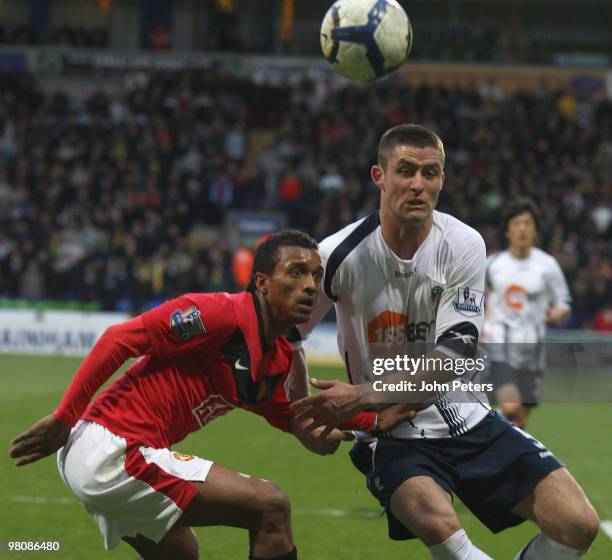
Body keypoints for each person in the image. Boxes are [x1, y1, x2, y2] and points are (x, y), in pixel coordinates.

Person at [290, 125, 599, 560]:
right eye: (406, 171)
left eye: (430, 173)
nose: (418, 184)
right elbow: (287, 337)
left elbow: (453, 355)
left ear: (442, 180)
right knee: (441, 527)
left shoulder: (464, 243)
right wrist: (300, 418)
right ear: (379, 176)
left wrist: (364, 395)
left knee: (578, 526)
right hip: (392, 437)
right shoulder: (336, 256)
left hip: (468, 415)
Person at [9, 230, 379, 560]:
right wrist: (64, 415)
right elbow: (119, 340)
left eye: (316, 275)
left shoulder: (275, 357)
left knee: (180, 552)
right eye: (296, 273)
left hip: (117, 453)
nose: (312, 285)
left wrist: (376, 419)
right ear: (263, 282)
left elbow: (294, 414)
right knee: (270, 506)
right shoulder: (219, 314)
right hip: (112, 450)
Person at [484, 198, 571, 428]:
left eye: (527, 223)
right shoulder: (492, 264)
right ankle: (483, 434)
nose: (522, 228)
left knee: (521, 418)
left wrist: (558, 313)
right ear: (507, 231)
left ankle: (505, 455)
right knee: (511, 407)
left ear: (535, 230)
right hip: (500, 344)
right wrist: (480, 325)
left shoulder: (547, 265)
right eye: (516, 223)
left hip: (533, 349)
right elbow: (473, 297)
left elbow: (563, 301)